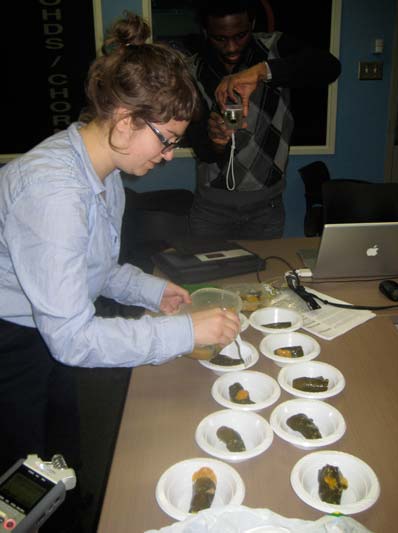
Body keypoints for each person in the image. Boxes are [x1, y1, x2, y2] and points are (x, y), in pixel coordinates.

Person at [0, 10, 240, 488]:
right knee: (21, 478)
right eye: (167, 140)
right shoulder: (53, 192)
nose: (169, 155)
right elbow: (72, 339)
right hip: (13, 341)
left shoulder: (104, 170)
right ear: (127, 120)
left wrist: (153, 291)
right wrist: (182, 332)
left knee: (62, 463)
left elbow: (96, 268)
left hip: (50, 325)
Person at [185, 0, 341, 240]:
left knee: (267, 267)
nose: (231, 47)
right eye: (220, 38)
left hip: (266, 210)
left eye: (240, 35)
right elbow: (202, 150)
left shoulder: (274, 48)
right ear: (206, 31)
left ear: (252, 23)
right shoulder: (192, 70)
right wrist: (216, 142)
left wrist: (262, 71)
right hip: (211, 211)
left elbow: (329, 67)